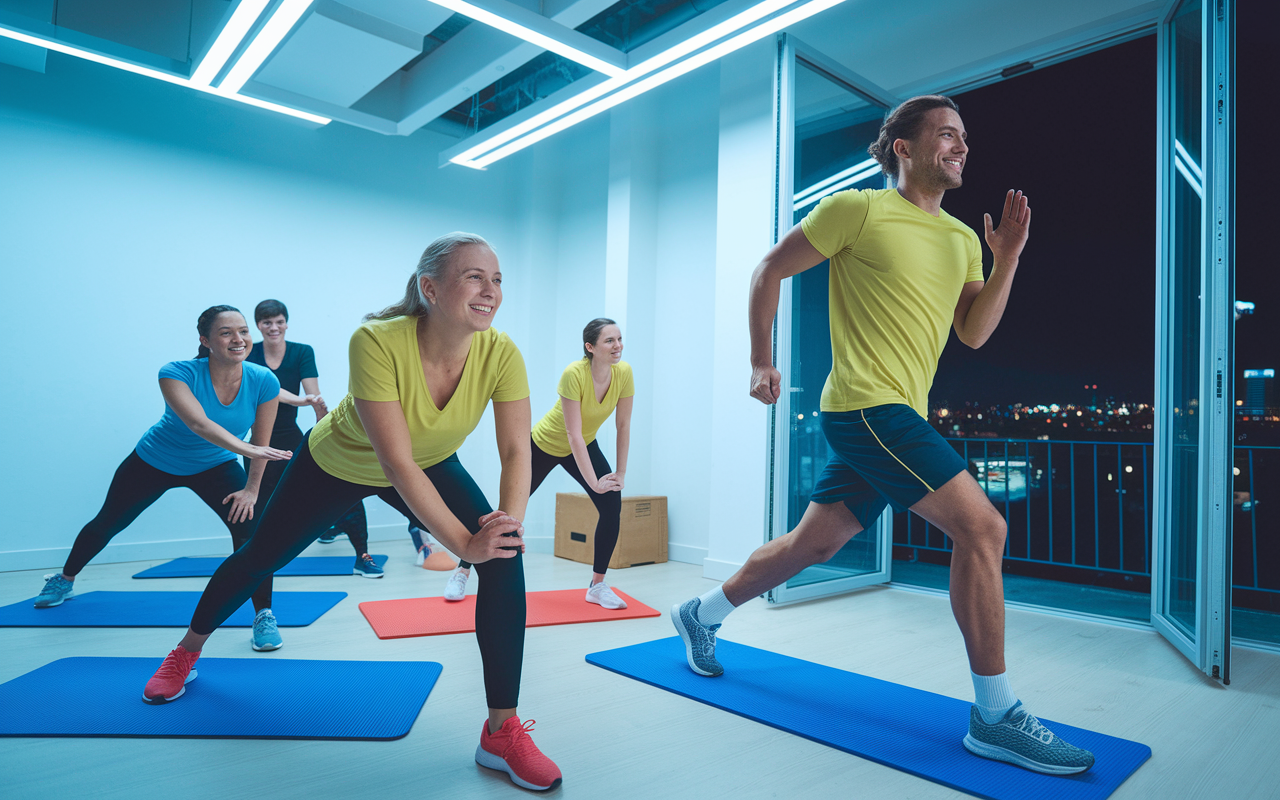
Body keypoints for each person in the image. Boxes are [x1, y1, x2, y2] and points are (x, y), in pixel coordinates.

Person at [669, 96, 1096, 776]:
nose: (961, 146)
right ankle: (995, 714)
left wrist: (1007, 255)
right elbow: (768, 271)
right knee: (983, 529)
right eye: (946, 134)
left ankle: (701, 612)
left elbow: (975, 332)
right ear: (903, 146)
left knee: (814, 543)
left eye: (965, 137)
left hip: (901, 416)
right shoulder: (857, 211)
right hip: (866, 407)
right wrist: (760, 358)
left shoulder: (961, 240)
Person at [142, 233, 562, 792]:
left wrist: (503, 527)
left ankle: (501, 732)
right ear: (430, 288)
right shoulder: (375, 340)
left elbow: (516, 451)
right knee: (258, 557)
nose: (491, 291)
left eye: (498, 279)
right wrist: (463, 546)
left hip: (432, 460)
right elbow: (394, 462)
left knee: (505, 559)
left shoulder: (501, 352)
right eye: (475, 277)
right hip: (338, 462)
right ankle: (185, 651)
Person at [34, 306, 291, 652]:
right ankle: (64, 578)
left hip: (214, 464)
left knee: (251, 533)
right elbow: (201, 425)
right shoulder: (176, 373)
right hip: (156, 459)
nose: (238, 339)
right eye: (226, 332)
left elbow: (261, 444)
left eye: (243, 331)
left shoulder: (264, 380)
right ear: (205, 340)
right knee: (108, 522)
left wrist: (251, 489)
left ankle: (263, 614)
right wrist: (246, 449)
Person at [442, 318, 632, 607]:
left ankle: (597, 585)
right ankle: (463, 570)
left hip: (582, 444)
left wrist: (619, 473)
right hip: (543, 445)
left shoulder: (624, 373)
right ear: (590, 347)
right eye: (610, 340)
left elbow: (623, 425)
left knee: (611, 504)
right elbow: (572, 434)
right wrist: (594, 483)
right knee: (508, 511)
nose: (617, 346)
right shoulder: (574, 374)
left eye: (619, 339)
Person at [247, 299, 383, 578]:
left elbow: (313, 394)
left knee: (344, 487)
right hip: (259, 439)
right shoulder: (249, 353)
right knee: (256, 503)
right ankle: (254, 563)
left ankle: (362, 556)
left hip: (290, 437)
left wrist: (319, 411)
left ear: (286, 323)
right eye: (267, 322)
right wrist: (301, 401)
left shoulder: (301, 352)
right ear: (258, 325)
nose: (274, 327)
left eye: (279, 321)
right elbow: (267, 389)